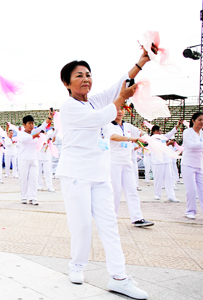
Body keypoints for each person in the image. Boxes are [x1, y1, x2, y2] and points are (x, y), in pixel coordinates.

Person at [57, 51, 151, 299]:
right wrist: (121, 98)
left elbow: (115, 87)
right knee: (82, 225)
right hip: (76, 174)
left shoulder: (92, 101)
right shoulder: (69, 108)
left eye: (88, 75)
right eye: (79, 75)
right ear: (66, 83)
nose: (86, 79)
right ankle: (76, 266)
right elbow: (101, 116)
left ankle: (119, 277)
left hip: (99, 174)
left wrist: (141, 62)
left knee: (110, 225)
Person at [105, 107, 154, 227]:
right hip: (114, 161)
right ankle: (112, 218)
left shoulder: (128, 126)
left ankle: (137, 218)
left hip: (127, 162)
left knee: (132, 190)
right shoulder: (108, 125)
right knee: (115, 190)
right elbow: (113, 137)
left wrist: (146, 136)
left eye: (122, 109)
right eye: (117, 109)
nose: (120, 112)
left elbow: (140, 133)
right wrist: (131, 138)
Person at [181, 112, 203, 220]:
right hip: (188, 164)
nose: (202, 122)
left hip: (199, 165)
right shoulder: (188, 132)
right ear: (193, 120)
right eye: (200, 120)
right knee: (192, 190)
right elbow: (190, 145)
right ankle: (190, 211)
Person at [18, 115, 51, 205]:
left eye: (32, 123)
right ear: (24, 124)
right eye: (29, 123)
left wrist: (49, 117)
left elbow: (43, 125)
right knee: (24, 179)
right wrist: (37, 135)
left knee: (34, 179)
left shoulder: (34, 132)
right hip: (24, 159)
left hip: (34, 159)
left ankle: (33, 198)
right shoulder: (21, 134)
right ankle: (24, 197)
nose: (31, 125)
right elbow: (25, 140)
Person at [150, 122, 181, 202]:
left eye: (160, 130)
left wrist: (177, 125)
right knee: (158, 179)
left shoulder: (163, 137)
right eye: (158, 131)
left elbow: (170, 133)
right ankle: (157, 194)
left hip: (166, 161)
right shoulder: (152, 139)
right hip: (158, 161)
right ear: (154, 132)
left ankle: (171, 195)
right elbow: (160, 148)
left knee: (169, 178)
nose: (160, 132)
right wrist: (168, 144)